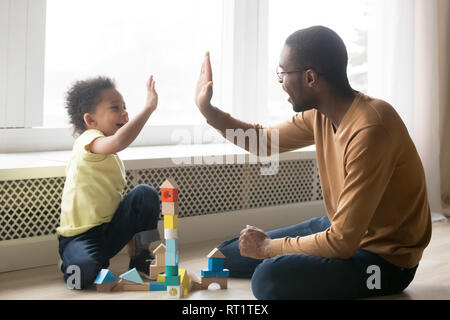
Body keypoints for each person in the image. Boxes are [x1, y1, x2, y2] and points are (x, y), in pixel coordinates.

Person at [195, 26, 432, 299]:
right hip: (341, 230)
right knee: (226, 255)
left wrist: (269, 247)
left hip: (384, 263)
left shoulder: (371, 129)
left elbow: (342, 243)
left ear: (310, 78)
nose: (280, 81)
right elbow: (263, 141)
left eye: (283, 73)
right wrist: (209, 112)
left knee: (268, 279)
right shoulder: (320, 115)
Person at [57, 75, 161, 289]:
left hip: (110, 230)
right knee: (83, 278)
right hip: (81, 236)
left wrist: (132, 242)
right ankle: (71, 261)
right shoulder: (88, 140)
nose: (124, 112)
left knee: (145, 193)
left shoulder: (108, 151)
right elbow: (120, 141)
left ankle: (141, 255)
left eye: (124, 106)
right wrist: (148, 108)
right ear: (91, 121)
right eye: (115, 108)